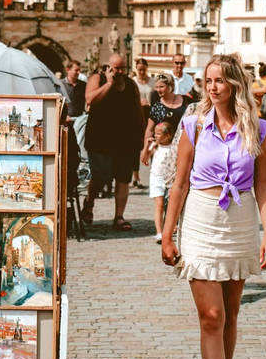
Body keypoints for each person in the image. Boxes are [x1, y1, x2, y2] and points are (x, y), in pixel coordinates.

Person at [161, 54, 266, 359]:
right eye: (208, 80)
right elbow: (178, 185)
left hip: (240, 221)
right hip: (201, 220)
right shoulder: (192, 125)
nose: (212, 87)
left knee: (232, 313)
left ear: (234, 85)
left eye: (219, 81)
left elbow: (263, 185)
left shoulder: (259, 128)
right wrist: (167, 233)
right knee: (212, 315)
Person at [81, 54, 144, 229]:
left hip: (125, 140)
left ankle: (119, 217)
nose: (119, 72)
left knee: (123, 178)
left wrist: (141, 135)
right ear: (108, 67)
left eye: (122, 68)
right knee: (100, 176)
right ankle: (89, 201)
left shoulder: (130, 84)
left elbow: (138, 109)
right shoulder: (97, 79)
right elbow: (90, 99)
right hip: (100, 139)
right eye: (116, 68)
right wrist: (108, 84)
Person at [141, 73, 189, 168]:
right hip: (162, 150)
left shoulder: (185, 102)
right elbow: (150, 130)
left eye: (161, 87)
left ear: (170, 86)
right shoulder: (157, 107)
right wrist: (145, 150)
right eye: (156, 87)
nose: (158, 90)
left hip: (182, 149)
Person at [148, 121, 176, 243]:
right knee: (159, 205)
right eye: (155, 134)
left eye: (159, 134)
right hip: (156, 178)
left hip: (170, 178)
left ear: (168, 135)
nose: (156, 136)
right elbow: (144, 159)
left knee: (170, 206)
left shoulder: (174, 147)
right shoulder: (155, 146)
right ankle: (159, 232)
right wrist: (147, 148)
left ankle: (169, 229)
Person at [131, 57, 155, 188]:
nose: (141, 72)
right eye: (139, 69)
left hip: (149, 114)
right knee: (136, 146)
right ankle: (136, 176)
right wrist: (139, 103)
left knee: (151, 143)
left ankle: (153, 174)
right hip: (137, 114)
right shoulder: (133, 82)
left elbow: (156, 98)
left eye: (143, 69)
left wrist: (149, 103)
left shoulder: (152, 82)